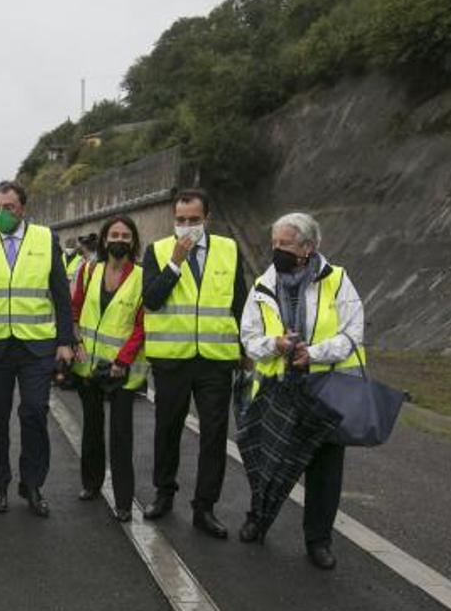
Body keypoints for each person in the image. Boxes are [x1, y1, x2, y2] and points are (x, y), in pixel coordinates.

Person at [238, 212, 364, 570]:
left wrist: (315, 353)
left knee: (325, 470)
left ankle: (318, 541)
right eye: (274, 243)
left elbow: (353, 333)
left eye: (286, 244)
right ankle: (257, 519)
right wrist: (275, 344)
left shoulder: (337, 281)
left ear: (308, 247)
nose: (277, 250)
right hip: (276, 389)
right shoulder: (263, 285)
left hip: (325, 389)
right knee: (266, 462)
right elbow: (249, 337)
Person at [0, 180, 76, 517]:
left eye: (8, 208)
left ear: (22, 209)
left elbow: (60, 294)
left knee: (35, 412)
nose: (2, 214)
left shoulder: (45, 239)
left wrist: (65, 341)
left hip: (35, 346)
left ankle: (33, 485)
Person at [141, 189, 248, 537]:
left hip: (215, 360)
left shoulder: (229, 250)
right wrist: (175, 263)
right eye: (181, 220)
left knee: (214, 435)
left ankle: (205, 507)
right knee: (167, 429)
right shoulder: (157, 250)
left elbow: (241, 303)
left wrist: (246, 349)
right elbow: (151, 300)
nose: (186, 226)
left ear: (207, 219)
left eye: (194, 220)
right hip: (172, 359)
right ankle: (164, 494)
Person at [71, 215, 147, 522]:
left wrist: (122, 361)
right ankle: (91, 484)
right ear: (104, 240)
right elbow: (75, 309)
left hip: (122, 371)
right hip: (88, 366)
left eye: (125, 236)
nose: (119, 240)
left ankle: (124, 500)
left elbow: (142, 324)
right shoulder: (89, 270)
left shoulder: (142, 277)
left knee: (121, 436)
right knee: (91, 429)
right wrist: (76, 339)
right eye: (114, 235)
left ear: (133, 241)